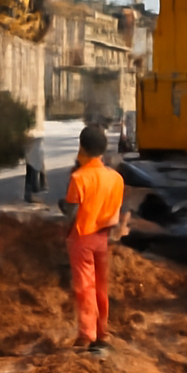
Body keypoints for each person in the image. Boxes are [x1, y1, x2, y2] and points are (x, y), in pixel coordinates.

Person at [63, 124, 127, 353]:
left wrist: (63, 206)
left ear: (82, 148)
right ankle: (103, 331)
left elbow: (70, 212)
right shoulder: (116, 178)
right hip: (104, 237)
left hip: (82, 237)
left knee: (84, 288)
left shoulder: (79, 178)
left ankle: (87, 334)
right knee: (101, 286)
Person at [23, 133, 47, 203]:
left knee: (34, 164)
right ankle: (34, 192)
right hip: (34, 140)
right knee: (34, 164)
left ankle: (33, 192)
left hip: (34, 140)